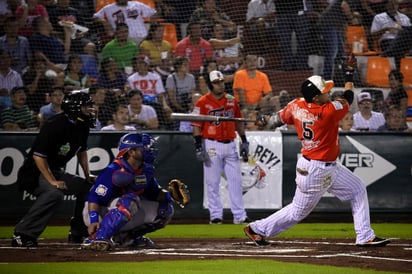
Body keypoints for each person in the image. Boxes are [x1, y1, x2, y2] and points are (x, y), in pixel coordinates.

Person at [244, 55, 391, 247]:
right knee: (298, 211)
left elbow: (278, 119)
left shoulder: (296, 105)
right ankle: (257, 229)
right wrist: (348, 74)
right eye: (325, 92)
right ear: (315, 97)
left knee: (357, 188)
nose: (328, 94)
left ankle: (364, 235)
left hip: (323, 166)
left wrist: (265, 119)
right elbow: (348, 96)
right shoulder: (327, 112)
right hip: (316, 170)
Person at [12, 91, 96, 247]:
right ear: (75, 108)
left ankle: (79, 233)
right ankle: (23, 234)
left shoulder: (82, 125)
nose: (90, 110)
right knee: (54, 194)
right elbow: (38, 156)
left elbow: (81, 150)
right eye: (86, 107)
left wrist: (87, 174)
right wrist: (52, 181)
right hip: (34, 172)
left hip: (55, 171)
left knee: (90, 188)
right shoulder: (54, 125)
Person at [80, 132, 174, 251]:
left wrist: (169, 195)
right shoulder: (113, 170)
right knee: (130, 200)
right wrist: (93, 220)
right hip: (97, 212)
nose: (150, 150)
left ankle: (126, 238)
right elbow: (94, 197)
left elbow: (154, 194)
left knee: (166, 209)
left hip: (126, 209)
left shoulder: (147, 170)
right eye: (144, 148)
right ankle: (98, 237)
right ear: (131, 152)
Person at [192, 70, 250, 225]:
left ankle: (240, 216)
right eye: (217, 82)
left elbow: (238, 121)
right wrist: (198, 145)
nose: (220, 84)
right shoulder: (202, 102)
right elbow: (196, 125)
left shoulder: (231, 100)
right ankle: (215, 216)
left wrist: (244, 139)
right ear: (211, 85)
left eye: (222, 81)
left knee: (236, 181)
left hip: (230, 144)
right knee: (212, 182)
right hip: (211, 144)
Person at [127, 54, 172, 130]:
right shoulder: (131, 78)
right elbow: (131, 95)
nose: (140, 66)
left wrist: (165, 105)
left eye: (142, 64)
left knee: (164, 111)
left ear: (147, 65)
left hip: (154, 103)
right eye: (138, 63)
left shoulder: (155, 77)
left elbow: (160, 94)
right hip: (139, 102)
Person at [371, 0, 411, 68]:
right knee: (399, 49)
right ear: (386, 5)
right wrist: (386, 29)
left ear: (397, 5)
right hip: (387, 41)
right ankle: (398, 71)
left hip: (403, 41)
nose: (393, 6)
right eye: (390, 4)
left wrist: (402, 30)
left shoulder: (404, 17)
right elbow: (373, 35)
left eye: (395, 4)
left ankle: (387, 53)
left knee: (405, 36)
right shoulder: (379, 17)